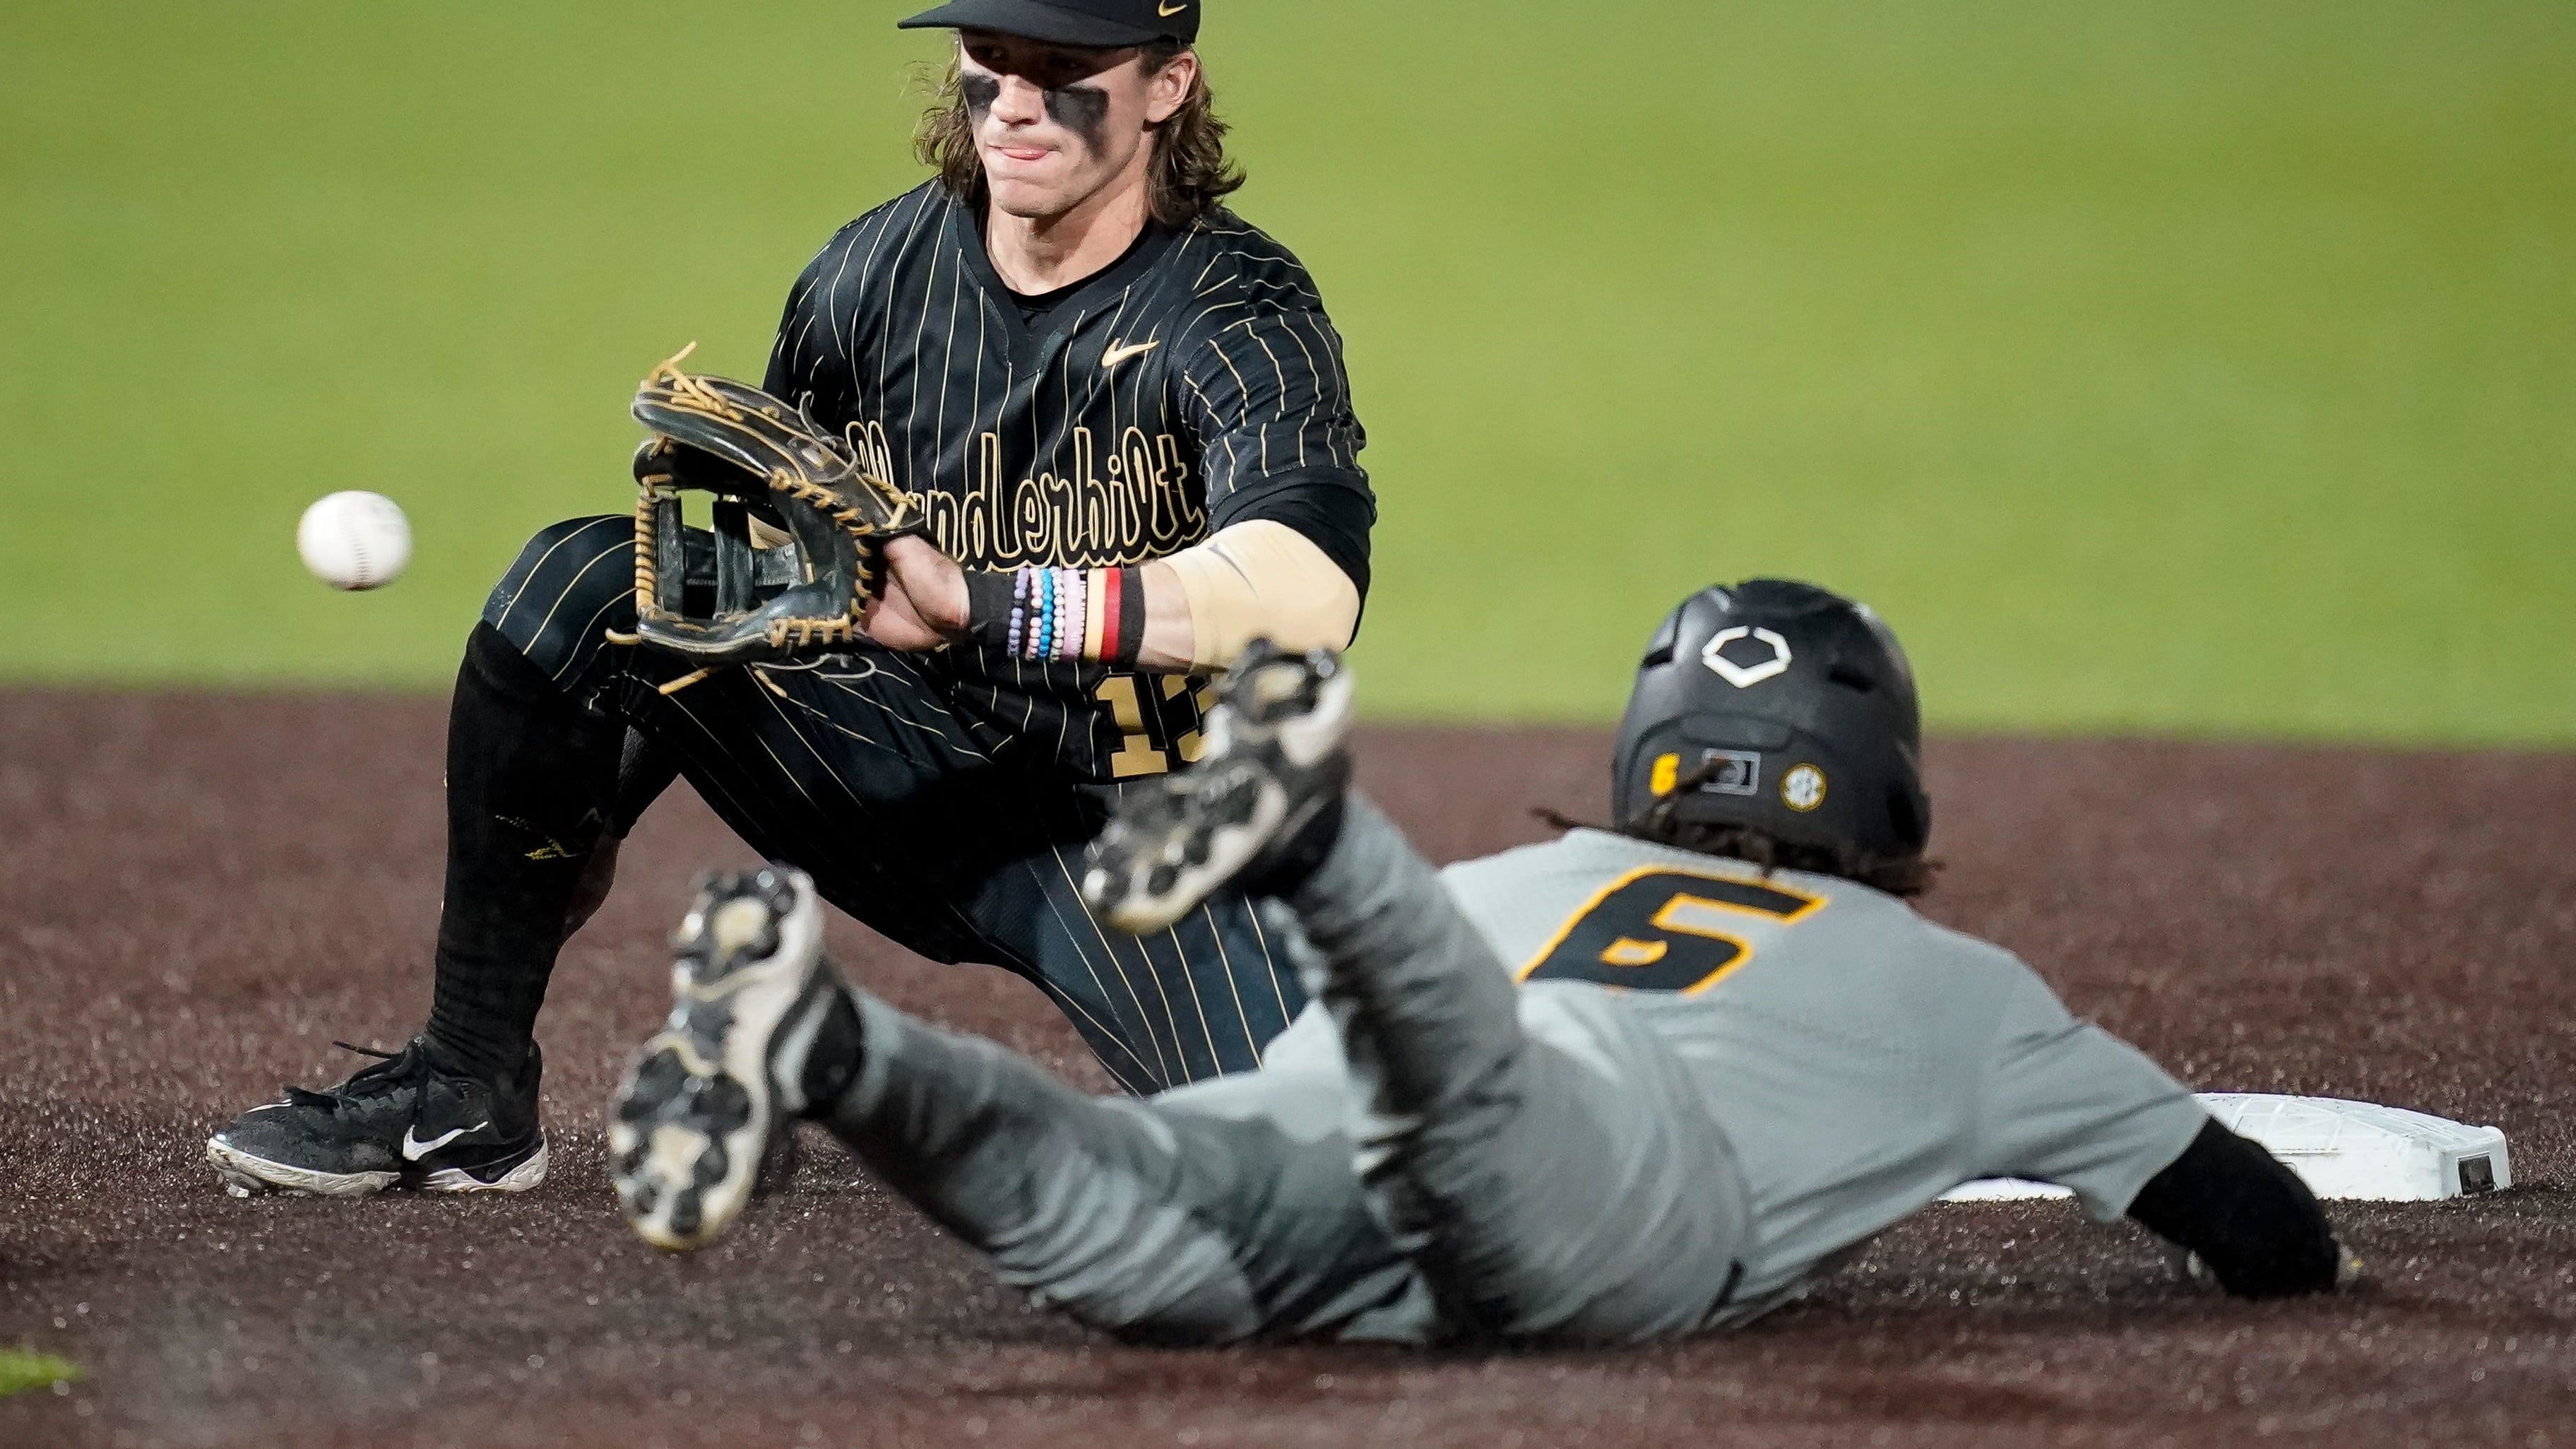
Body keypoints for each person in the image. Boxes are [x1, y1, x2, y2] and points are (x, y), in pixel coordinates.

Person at [208, 0, 1375, 1198]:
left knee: (1341, 1177)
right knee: (585, 576)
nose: (1016, 101)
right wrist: (602, 803)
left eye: (1066, 69)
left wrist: (985, 603)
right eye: (991, 62)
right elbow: (748, 595)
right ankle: (466, 1088)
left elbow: (1306, 591)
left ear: (1168, 85)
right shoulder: (869, 276)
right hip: (903, 772)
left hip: (1138, 838)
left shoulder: (1239, 312)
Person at [603, 583, 2356, 1344]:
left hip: (1333, 1095)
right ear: (1882, 781)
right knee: (1476, 1112)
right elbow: (2265, 1232)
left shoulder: (1514, 875)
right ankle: (1313, 842)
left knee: (1134, 1217)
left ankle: (843, 1049)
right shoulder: (1961, 991)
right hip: (1621, 1171)